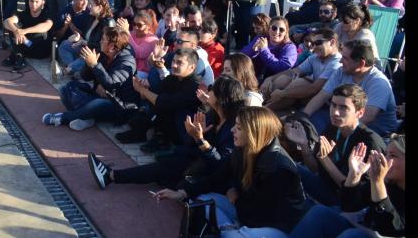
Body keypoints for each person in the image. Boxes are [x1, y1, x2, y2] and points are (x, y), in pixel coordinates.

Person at [154, 106, 307, 238]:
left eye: (239, 128)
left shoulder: (278, 168)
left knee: (234, 236)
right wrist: (181, 193)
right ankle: (229, 229)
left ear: (254, 134)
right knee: (200, 200)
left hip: (276, 227)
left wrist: (235, 199)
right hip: (247, 212)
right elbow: (216, 178)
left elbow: (262, 215)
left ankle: (229, 230)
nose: (233, 130)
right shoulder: (242, 150)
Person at [90, 76, 247, 191]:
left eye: (213, 90)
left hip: (214, 175)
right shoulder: (213, 115)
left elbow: (221, 165)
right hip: (197, 161)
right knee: (165, 169)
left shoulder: (234, 126)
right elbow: (193, 145)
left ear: (221, 98)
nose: (209, 92)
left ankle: (111, 176)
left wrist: (201, 140)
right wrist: (194, 135)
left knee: (165, 168)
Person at [284, 84, 387, 208]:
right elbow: (315, 169)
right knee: (287, 167)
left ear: (360, 113)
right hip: (326, 188)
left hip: (347, 204)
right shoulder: (334, 127)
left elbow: (353, 193)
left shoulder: (370, 142)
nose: (335, 112)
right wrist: (304, 144)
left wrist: (325, 160)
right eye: (333, 105)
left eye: (344, 108)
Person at [289, 134, 405, 238]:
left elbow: (390, 229)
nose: (385, 159)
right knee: (319, 213)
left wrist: (378, 182)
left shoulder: (369, 140)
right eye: (386, 154)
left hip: (377, 233)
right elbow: (349, 207)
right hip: (365, 227)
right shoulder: (389, 182)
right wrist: (354, 175)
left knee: (352, 235)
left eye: (393, 156)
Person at [43, 25, 137, 131]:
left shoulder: (126, 61)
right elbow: (85, 77)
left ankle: (62, 118)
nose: (100, 41)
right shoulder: (103, 53)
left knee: (97, 104)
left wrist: (95, 65)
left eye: (103, 40)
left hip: (119, 105)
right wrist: (89, 64)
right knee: (65, 89)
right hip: (100, 94)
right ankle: (87, 117)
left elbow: (111, 85)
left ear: (111, 46)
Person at [303, 40, 398, 136]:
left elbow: (368, 116)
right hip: (344, 119)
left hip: (374, 132)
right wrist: (303, 116)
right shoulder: (342, 71)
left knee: (319, 134)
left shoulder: (379, 83)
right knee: (309, 122)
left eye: (345, 58)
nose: (340, 61)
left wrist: (333, 133)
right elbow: (322, 95)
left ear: (361, 63)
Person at [260, 28, 342, 113]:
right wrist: (269, 79)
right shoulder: (315, 57)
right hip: (311, 96)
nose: (314, 47)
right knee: (284, 79)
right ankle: (262, 102)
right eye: (313, 43)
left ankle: (264, 111)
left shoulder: (336, 63)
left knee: (298, 84)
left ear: (332, 42)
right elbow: (292, 72)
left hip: (326, 104)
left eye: (318, 43)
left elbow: (314, 89)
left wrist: (282, 93)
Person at [58, 0, 116, 76]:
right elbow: (85, 36)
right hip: (86, 48)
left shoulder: (108, 23)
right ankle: (75, 69)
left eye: (91, 5)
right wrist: (79, 38)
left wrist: (85, 42)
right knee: (64, 45)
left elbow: (104, 48)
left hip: (97, 54)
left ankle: (66, 70)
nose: (88, 6)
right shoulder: (92, 17)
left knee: (86, 57)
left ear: (99, 8)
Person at [2, 0, 55, 71]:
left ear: (43, 2)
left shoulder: (47, 14)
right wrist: (16, 31)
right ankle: (19, 56)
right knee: (12, 27)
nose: (33, 4)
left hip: (39, 51)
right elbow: (6, 22)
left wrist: (23, 31)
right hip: (26, 45)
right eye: (31, 1)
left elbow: (47, 25)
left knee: (42, 33)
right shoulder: (23, 13)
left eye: (37, 2)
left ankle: (16, 54)